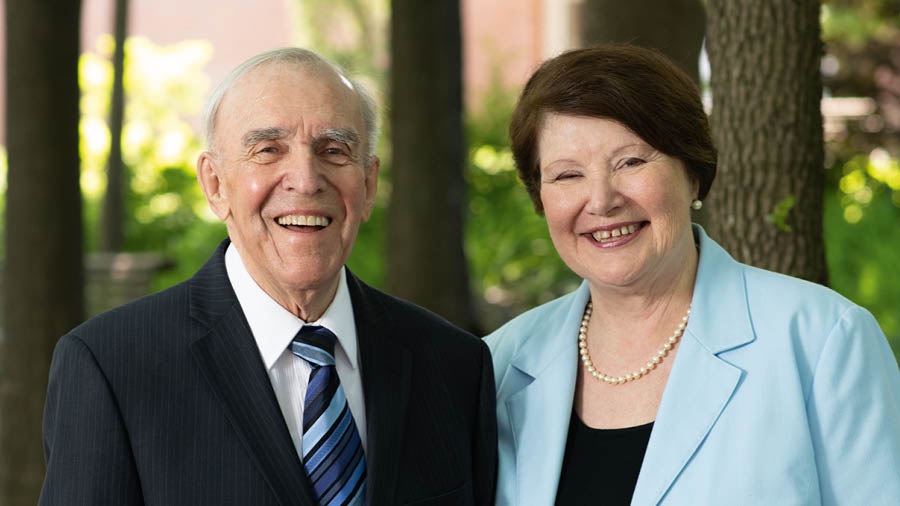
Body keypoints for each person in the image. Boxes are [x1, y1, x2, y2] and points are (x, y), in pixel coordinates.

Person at [40, 47, 496, 506]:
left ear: (369, 184)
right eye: (268, 150)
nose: (305, 179)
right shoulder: (111, 367)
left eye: (334, 151)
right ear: (216, 184)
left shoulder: (454, 365)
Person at [486, 44, 900, 506]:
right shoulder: (498, 364)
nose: (601, 201)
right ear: (540, 197)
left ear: (693, 174)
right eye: (567, 176)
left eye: (632, 162)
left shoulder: (823, 340)